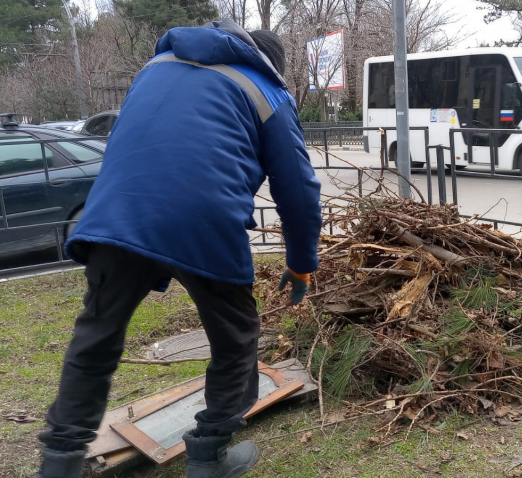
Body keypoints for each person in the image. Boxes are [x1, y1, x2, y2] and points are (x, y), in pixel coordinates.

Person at [33, 20, 322, 478]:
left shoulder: (155, 67)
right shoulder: (266, 89)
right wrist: (302, 263)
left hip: (116, 214)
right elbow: (299, 191)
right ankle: (209, 455)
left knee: (97, 335)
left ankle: (60, 461)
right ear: (272, 63)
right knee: (236, 337)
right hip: (204, 222)